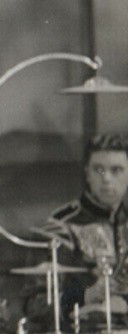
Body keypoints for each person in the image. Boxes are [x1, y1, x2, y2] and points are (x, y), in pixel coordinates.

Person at [33, 132, 128, 323]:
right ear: (87, 174)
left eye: (116, 170)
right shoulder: (60, 227)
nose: (107, 179)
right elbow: (36, 305)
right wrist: (86, 296)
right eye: (98, 170)